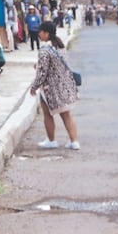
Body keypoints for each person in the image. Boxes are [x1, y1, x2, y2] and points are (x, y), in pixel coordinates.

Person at [30, 21, 79, 150]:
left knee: (47, 114)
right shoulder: (60, 46)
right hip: (63, 86)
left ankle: (51, 140)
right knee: (66, 114)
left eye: (40, 32)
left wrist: (34, 86)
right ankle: (74, 141)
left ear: (46, 33)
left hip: (49, 89)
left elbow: (42, 72)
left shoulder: (44, 50)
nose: (39, 34)